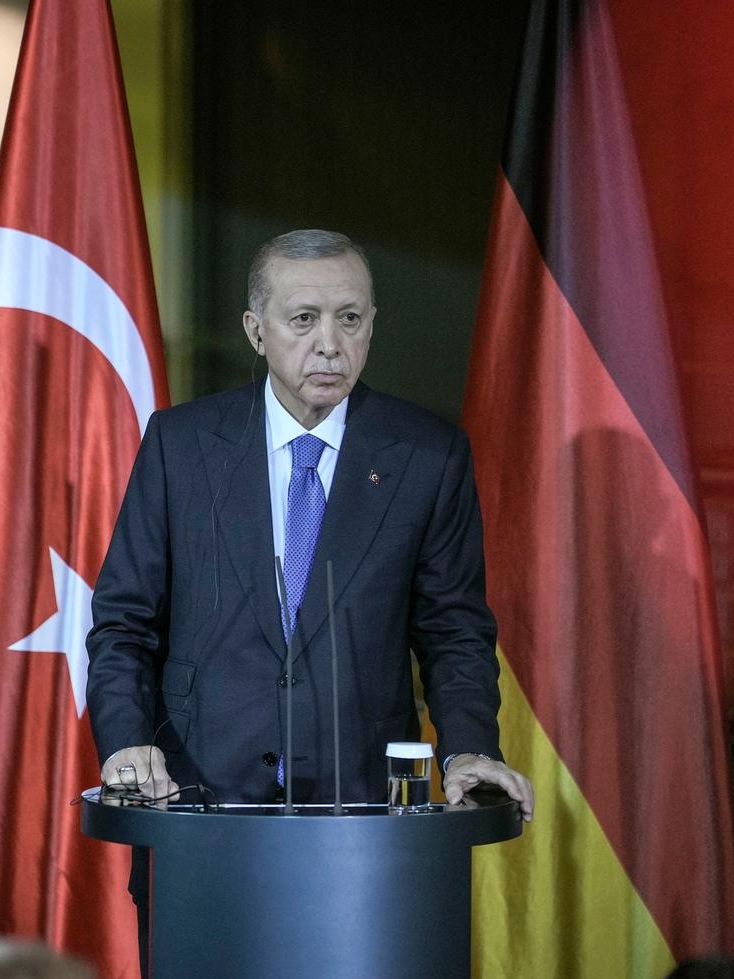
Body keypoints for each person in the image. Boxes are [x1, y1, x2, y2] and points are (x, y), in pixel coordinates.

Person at [86, 228, 534, 811]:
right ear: (256, 331)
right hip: (196, 797)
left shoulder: (428, 455)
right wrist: (126, 743)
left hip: (366, 807)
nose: (329, 343)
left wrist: (468, 749)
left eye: (349, 318)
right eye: (303, 319)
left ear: (372, 325)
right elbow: (123, 622)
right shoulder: (182, 445)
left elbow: (454, 631)